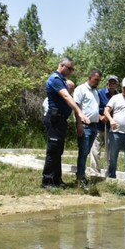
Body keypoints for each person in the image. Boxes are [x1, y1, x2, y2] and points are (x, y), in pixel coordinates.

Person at [41, 57, 90, 189]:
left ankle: (56, 179)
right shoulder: (55, 79)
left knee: (58, 150)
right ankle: (46, 181)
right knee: (53, 150)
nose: (71, 71)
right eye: (70, 69)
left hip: (61, 120)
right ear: (62, 65)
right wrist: (79, 112)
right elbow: (66, 96)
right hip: (54, 120)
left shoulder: (62, 80)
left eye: (72, 69)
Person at [73, 69, 102, 191]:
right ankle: (81, 178)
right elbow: (76, 107)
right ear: (89, 77)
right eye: (96, 80)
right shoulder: (80, 89)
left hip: (94, 126)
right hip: (84, 126)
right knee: (83, 153)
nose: (97, 82)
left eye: (99, 80)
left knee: (88, 152)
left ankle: (82, 176)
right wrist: (79, 124)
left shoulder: (95, 92)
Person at [90, 75, 119, 176]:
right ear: (107, 84)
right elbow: (93, 107)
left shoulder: (119, 96)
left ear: (117, 85)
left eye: (114, 83)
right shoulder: (99, 93)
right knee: (95, 150)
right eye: (110, 83)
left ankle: (109, 173)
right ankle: (95, 172)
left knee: (110, 152)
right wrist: (100, 117)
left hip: (111, 128)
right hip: (98, 126)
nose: (112, 85)